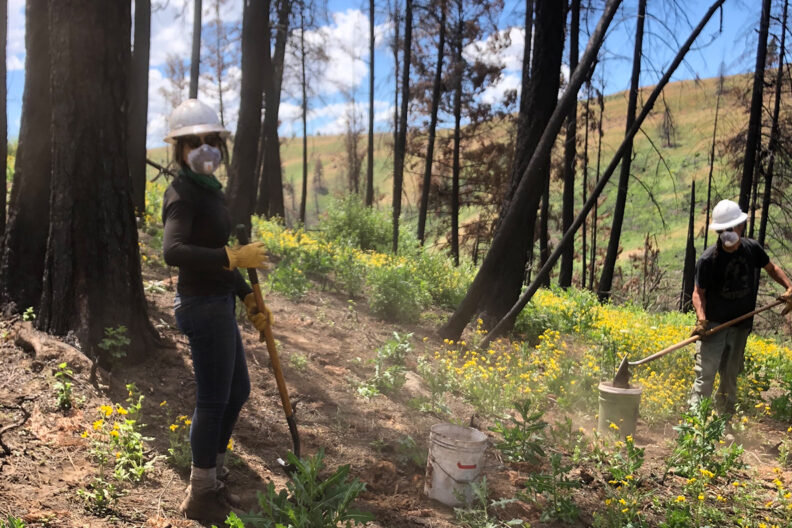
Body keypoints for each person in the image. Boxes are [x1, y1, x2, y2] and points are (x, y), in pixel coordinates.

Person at [161, 99, 271, 522]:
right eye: (196, 141)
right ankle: (200, 493)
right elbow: (173, 251)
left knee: (237, 391)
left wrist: (245, 295)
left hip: (219, 302)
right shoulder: (182, 192)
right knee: (212, 399)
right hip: (200, 305)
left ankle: (215, 470)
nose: (206, 148)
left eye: (212, 139)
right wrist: (229, 257)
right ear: (181, 148)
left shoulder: (212, 191)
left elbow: (228, 258)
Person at [689, 199, 792, 415]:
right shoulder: (708, 260)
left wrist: (790, 287)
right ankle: (695, 423)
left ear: (740, 226)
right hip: (714, 325)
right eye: (724, 229)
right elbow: (699, 293)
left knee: (730, 375)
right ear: (719, 231)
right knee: (705, 374)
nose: (729, 232)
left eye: (732, 227)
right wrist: (701, 320)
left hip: (741, 325)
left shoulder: (751, 249)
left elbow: (771, 268)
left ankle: (724, 422)